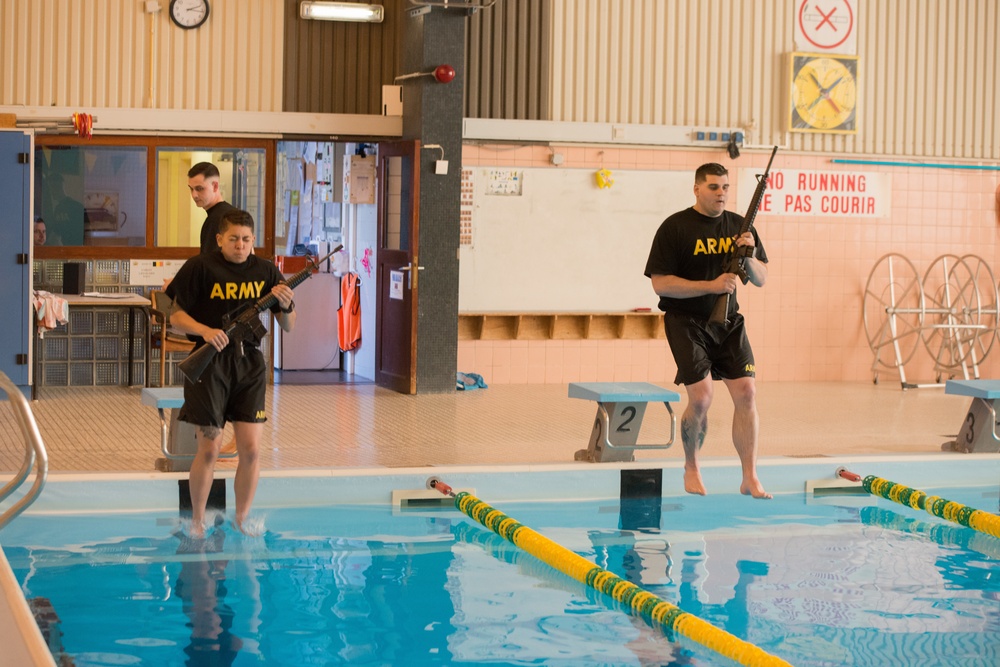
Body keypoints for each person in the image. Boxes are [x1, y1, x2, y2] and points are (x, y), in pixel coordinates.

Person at [644, 162, 771, 499]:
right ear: (697, 189)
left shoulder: (740, 226)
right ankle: (692, 465)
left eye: (726, 187)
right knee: (701, 397)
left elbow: (761, 278)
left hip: (728, 321)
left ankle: (749, 476)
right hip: (686, 321)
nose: (721, 193)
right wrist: (711, 285)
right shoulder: (675, 227)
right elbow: (661, 284)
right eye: (714, 187)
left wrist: (749, 254)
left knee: (747, 393)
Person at [166, 209, 297, 535]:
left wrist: (289, 304)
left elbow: (289, 326)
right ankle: (197, 520)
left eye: (247, 240)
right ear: (219, 239)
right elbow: (174, 318)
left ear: (254, 240)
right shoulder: (200, 267)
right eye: (234, 239)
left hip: (249, 365)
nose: (241, 245)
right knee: (209, 449)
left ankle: (243, 518)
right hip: (209, 364)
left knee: (251, 450)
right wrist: (206, 331)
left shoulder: (266, 270)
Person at [188, 162, 237, 254]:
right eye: (191, 189)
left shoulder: (217, 220)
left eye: (199, 188)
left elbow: (210, 265)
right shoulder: (234, 214)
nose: (194, 195)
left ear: (215, 186)